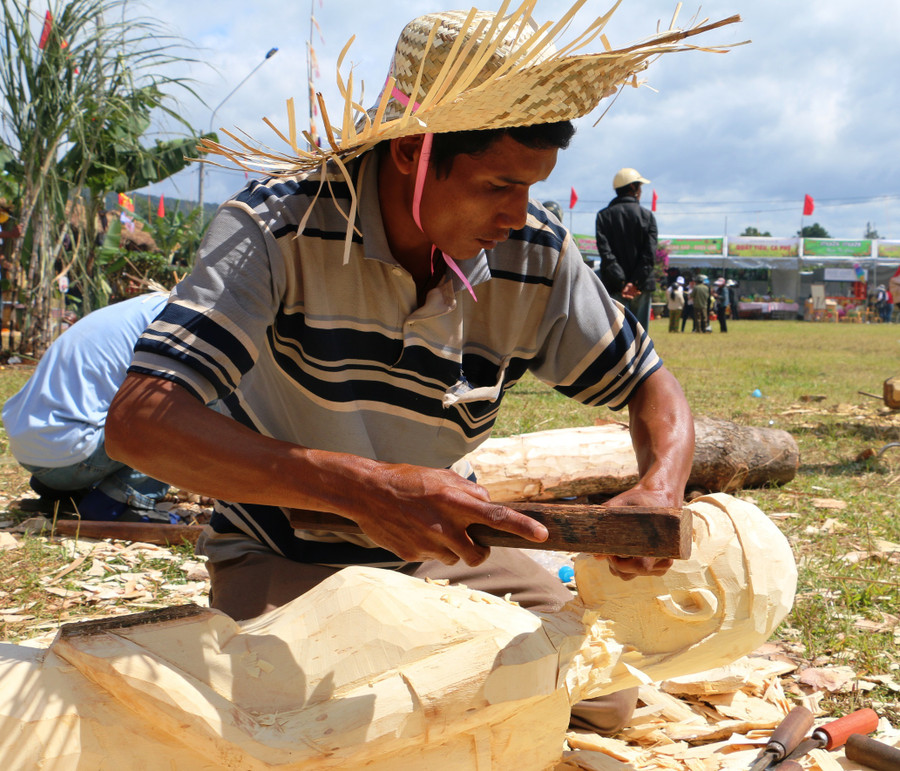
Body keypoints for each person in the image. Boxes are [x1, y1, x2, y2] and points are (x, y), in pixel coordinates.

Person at [105, 5, 735, 734]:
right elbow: (140, 421)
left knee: (593, 693)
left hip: (441, 554)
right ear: (413, 152)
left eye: (532, 186)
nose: (516, 213)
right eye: (497, 184)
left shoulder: (533, 249)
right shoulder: (277, 228)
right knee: (336, 718)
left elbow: (649, 383)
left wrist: (660, 487)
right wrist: (364, 490)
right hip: (286, 558)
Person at [2, 293, 172, 521]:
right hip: (71, 456)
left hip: (30, 447)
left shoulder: (143, 307)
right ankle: (123, 501)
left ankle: (62, 492)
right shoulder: (180, 321)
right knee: (192, 404)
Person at [594, 168, 658, 330]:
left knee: (618, 337)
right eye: (640, 187)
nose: (641, 191)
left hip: (615, 286)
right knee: (641, 337)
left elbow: (606, 254)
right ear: (633, 188)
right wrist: (634, 282)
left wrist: (622, 281)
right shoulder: (647, 216)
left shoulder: (603, 216)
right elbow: (649, 254)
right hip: (640, 287)